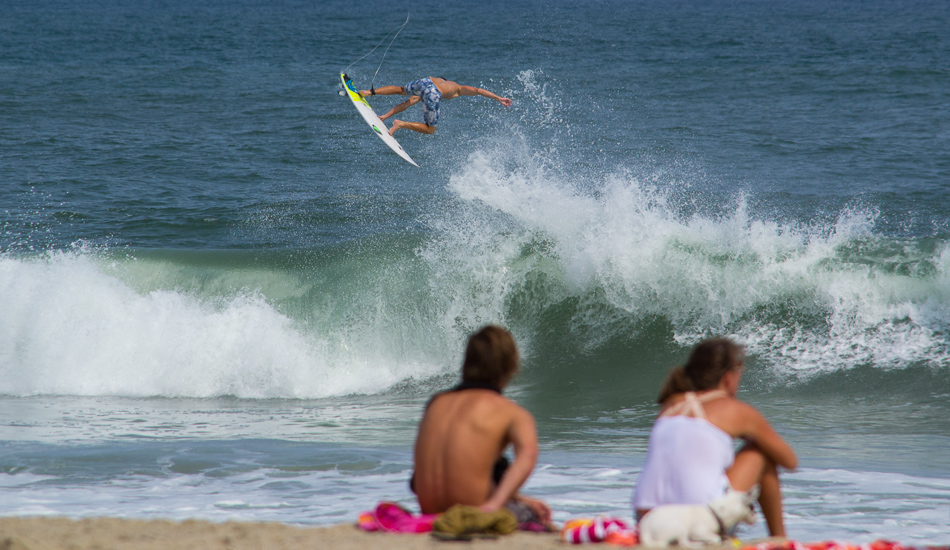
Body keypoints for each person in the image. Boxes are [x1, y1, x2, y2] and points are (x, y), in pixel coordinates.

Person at [631, 338, 798, 537]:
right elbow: (789, 461)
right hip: (696, 526)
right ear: (728, 377)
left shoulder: (670, 404)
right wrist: (752, 435)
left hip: (648, 521)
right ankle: (780, 540)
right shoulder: (735, 410)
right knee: (760, 454)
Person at [411, 325, 552, 528]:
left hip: (430, 513)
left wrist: (518, 497)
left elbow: (417, 483)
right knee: (539, 519)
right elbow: (527, 454)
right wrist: (494, 505)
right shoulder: (512, 413)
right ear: (510, 366)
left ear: (467, 363)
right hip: (472, 515)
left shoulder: (436, 403)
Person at [360, 77, 511, 135]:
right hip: (433, 92)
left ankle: (368, 92)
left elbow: (408, 103)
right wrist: (499, 98)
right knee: (430, 129)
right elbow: (478, 91)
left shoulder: (436, 80)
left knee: (400, 90)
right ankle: (400, 125)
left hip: (425, 82)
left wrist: (385, 115)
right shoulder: (457, 87)